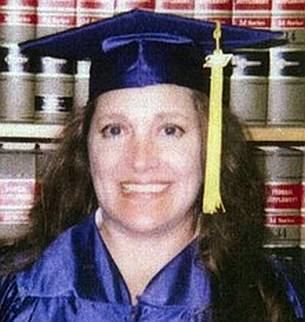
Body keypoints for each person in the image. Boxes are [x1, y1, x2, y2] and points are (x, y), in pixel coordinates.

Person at [0, 9, 304, 322]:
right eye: (115, 130)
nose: (141, 160)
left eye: (170, 130)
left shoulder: (275, 299)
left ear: (211, 145)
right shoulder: (16, 293)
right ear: (85, 146)